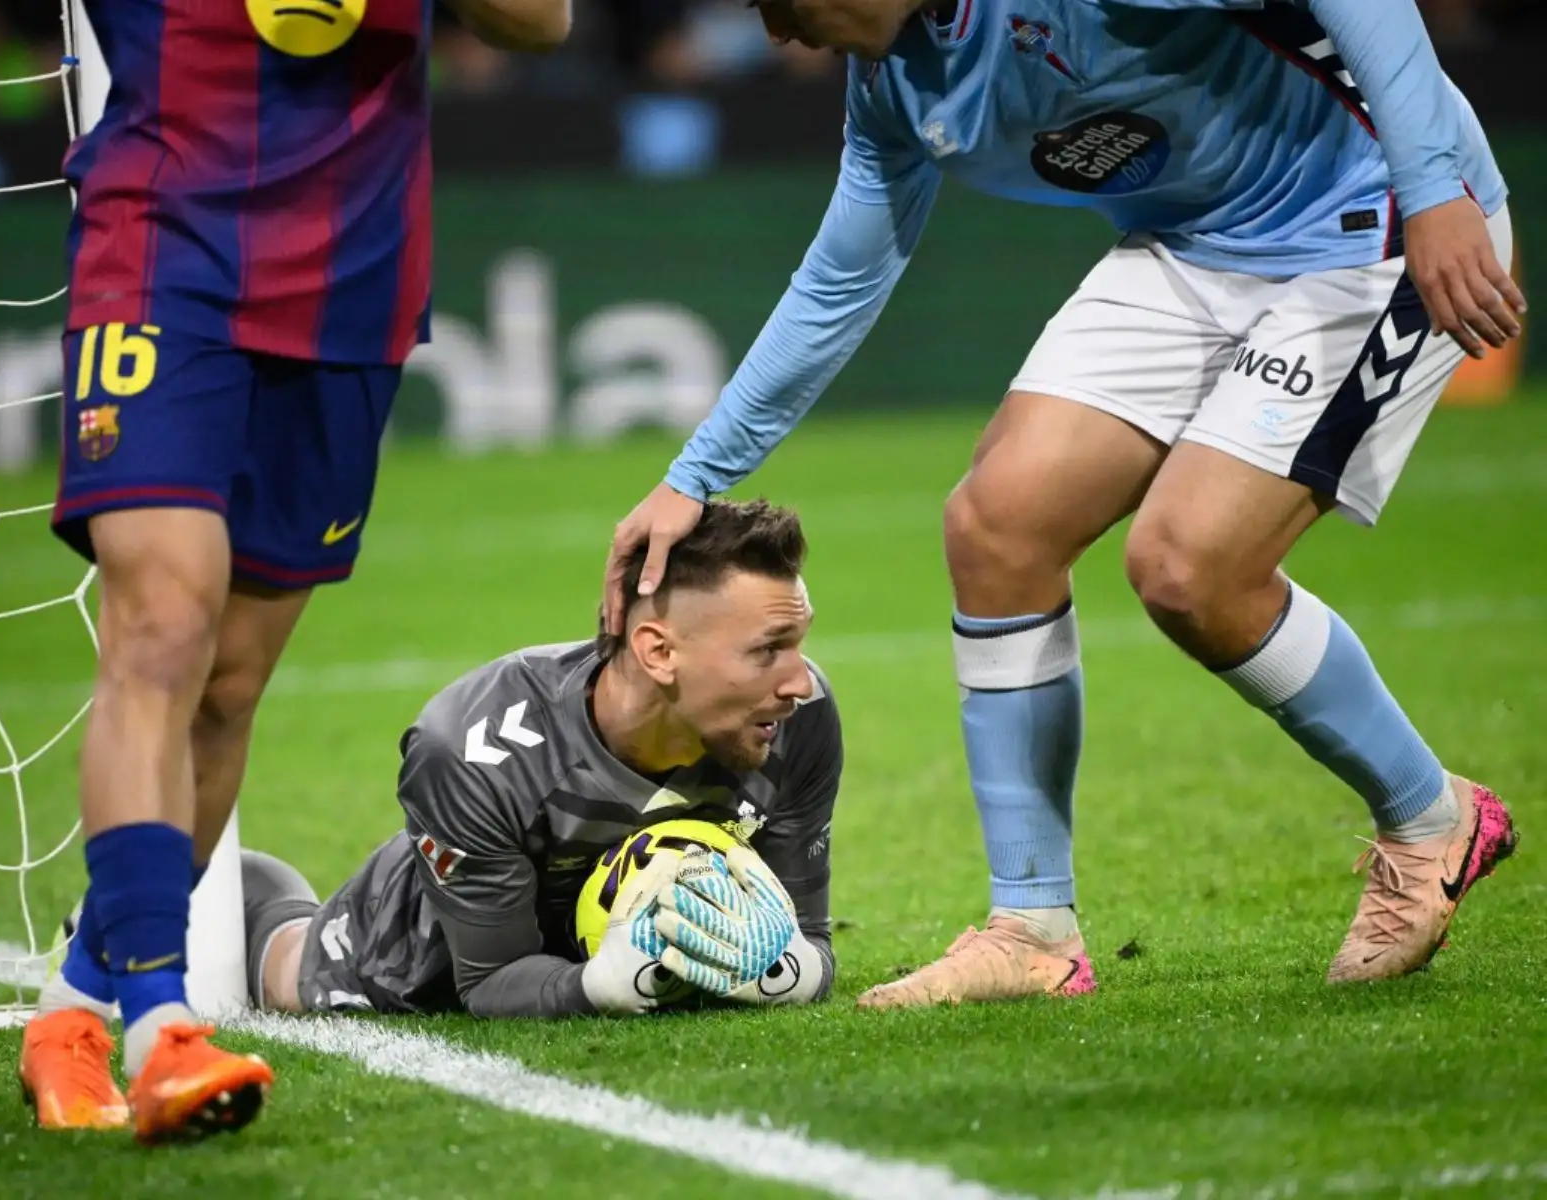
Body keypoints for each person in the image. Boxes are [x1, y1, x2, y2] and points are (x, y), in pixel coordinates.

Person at [604, 0, 1522, 1010]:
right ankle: (1033, 931)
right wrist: (695, 476)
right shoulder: (892, 91)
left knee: (1187, 568)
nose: (779, 33)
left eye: (783, 2)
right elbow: (840, 281)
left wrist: (1436, 188)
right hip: (1193, 246)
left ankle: (1430, 819)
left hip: (1374, 218)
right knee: (995, 527)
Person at [0, 0, 572, 1142]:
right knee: (158, 626)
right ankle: (160, 1025)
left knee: (228, 686)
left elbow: (540, 25)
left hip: (356, 270)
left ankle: (72, 1018)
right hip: (163, 243)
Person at [235, 498, 841, 1020]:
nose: (799, 682)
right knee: (288, 976)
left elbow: (807, 937)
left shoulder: (798, 720)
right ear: (658, 653)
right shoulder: (473, 750)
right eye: (768, 651)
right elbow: (488, 979)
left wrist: (784, 971)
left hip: (575, 930)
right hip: (406, 957)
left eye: (799, 643)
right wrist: (596, 985)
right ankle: (246, 892)